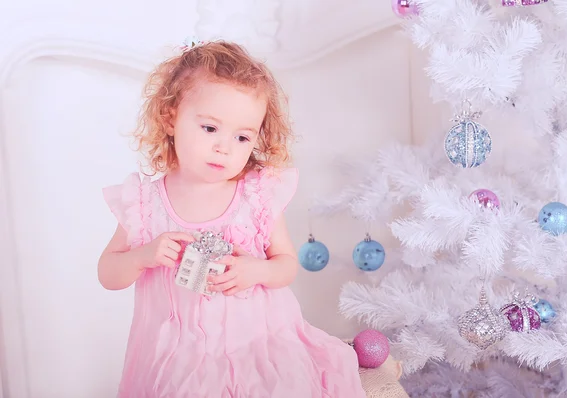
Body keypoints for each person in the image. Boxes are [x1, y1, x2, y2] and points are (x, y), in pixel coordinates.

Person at [98, 39, 366, 397]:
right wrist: (143, 255)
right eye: (210, 128)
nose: (224, 147)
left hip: (257, 347)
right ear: (170, 118)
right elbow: (108, 274)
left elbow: (286, 264)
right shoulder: (146, 202)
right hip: (177, 361)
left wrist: (257, 270)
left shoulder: (255, 197)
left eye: (242, 137)